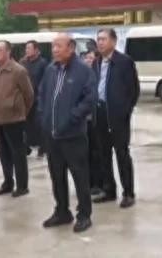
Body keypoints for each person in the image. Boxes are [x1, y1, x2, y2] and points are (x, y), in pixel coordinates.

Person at [39, 33, 97, 233]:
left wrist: (72, 118)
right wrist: (44, 117)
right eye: (53, 46)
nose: (54, 50)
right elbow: (42, 95)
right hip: (52, 135)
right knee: (57, 176)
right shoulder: (51, 69)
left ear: (71, 48)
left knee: (80, 176)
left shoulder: (83, 70)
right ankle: (62, 211)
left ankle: (84, 214)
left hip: (73, 135)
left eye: (59, 46)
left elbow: (89, 99)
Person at [92, 28, 140, 208]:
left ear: (113, 41)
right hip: (100, 113)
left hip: (117, 116)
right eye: (98, 39)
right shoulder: (96, 62)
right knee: (103, 154)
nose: (100, 42)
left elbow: (133, 90)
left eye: (104, 39)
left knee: (122, 154)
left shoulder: (124, 62)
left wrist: (124, 110)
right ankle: (109, 190)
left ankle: (128, 193)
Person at [0, 40, 35, 198]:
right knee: (4, 153)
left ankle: (22, 185)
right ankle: (8, 182)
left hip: (14, 119)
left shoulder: (18, 70)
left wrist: (21, 112)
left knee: (18, 153)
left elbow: (29, 95)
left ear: (8, 52)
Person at [81, 50, 105, 197]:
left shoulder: (97, 76)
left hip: (95, 120)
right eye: (87, 58)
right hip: (83, 121)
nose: (89, 60)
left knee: (96, 153)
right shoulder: (80, 76)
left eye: (92, 58)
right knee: (85, 153)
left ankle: (98, 183)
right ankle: (88, 182)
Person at [21, 40, 48, 158]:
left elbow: (45, 81)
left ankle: (43, 148)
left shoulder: (43, 63)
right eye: (26, 48)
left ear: (36, 50)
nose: (27, 50)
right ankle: (26, 147)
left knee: (38, 124)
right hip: (25, 99)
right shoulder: (23, 62)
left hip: (38, 99)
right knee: (25, 125)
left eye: (29, 48)